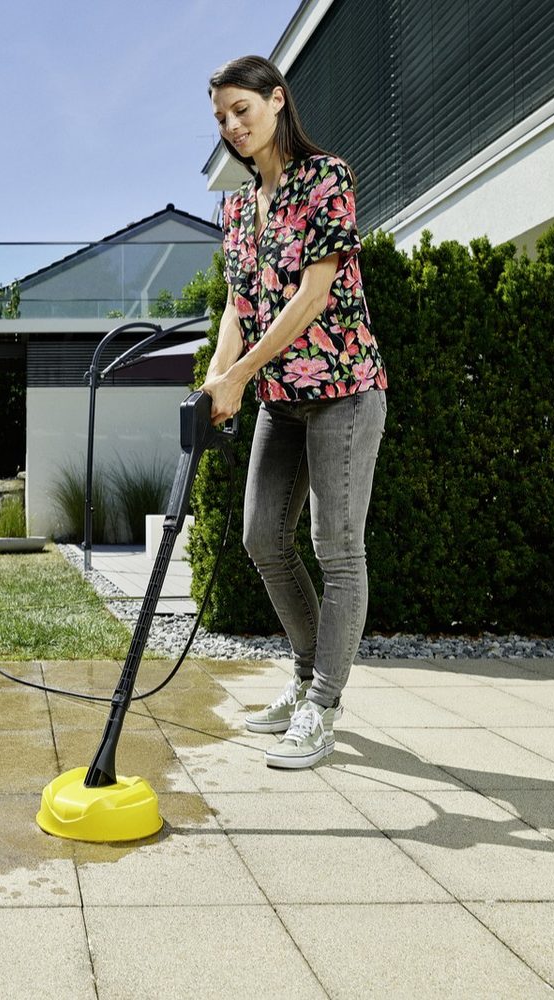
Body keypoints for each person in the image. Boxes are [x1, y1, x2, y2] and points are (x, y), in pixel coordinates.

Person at [199, 55, 388, 769]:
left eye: (241, 109)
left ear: (277, 101)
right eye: (222, 117)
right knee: (262, 538)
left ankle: (323, 705)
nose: (232, 125)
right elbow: (237, 305)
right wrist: (218, 376)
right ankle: (307, 680)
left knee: (337, 548)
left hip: (344, 388)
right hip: (282, 399)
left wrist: (241, 376)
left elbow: (314, 295)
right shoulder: (236, 208)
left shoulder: (325, 178)